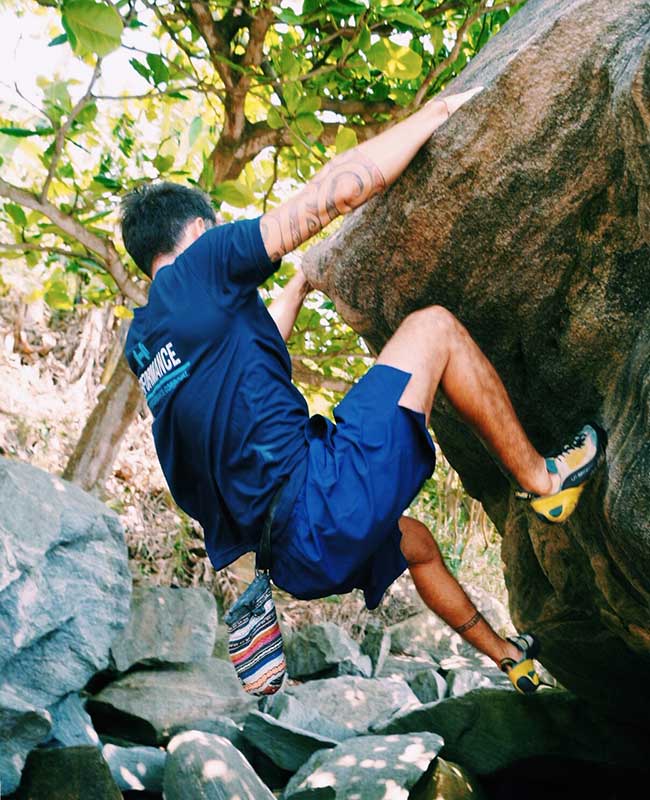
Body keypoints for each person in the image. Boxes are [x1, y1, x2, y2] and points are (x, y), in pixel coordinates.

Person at [122, 88, 603, 694]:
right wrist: (436, 116)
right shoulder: (206, 263)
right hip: (322, 501)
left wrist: (296, 287)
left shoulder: (147, 344)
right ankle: (546, 482)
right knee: (433, 330)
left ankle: (511, 658)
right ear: (198, 230)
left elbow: (243, 365)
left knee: (416, 544)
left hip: (292, 559)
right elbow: (336, 194)